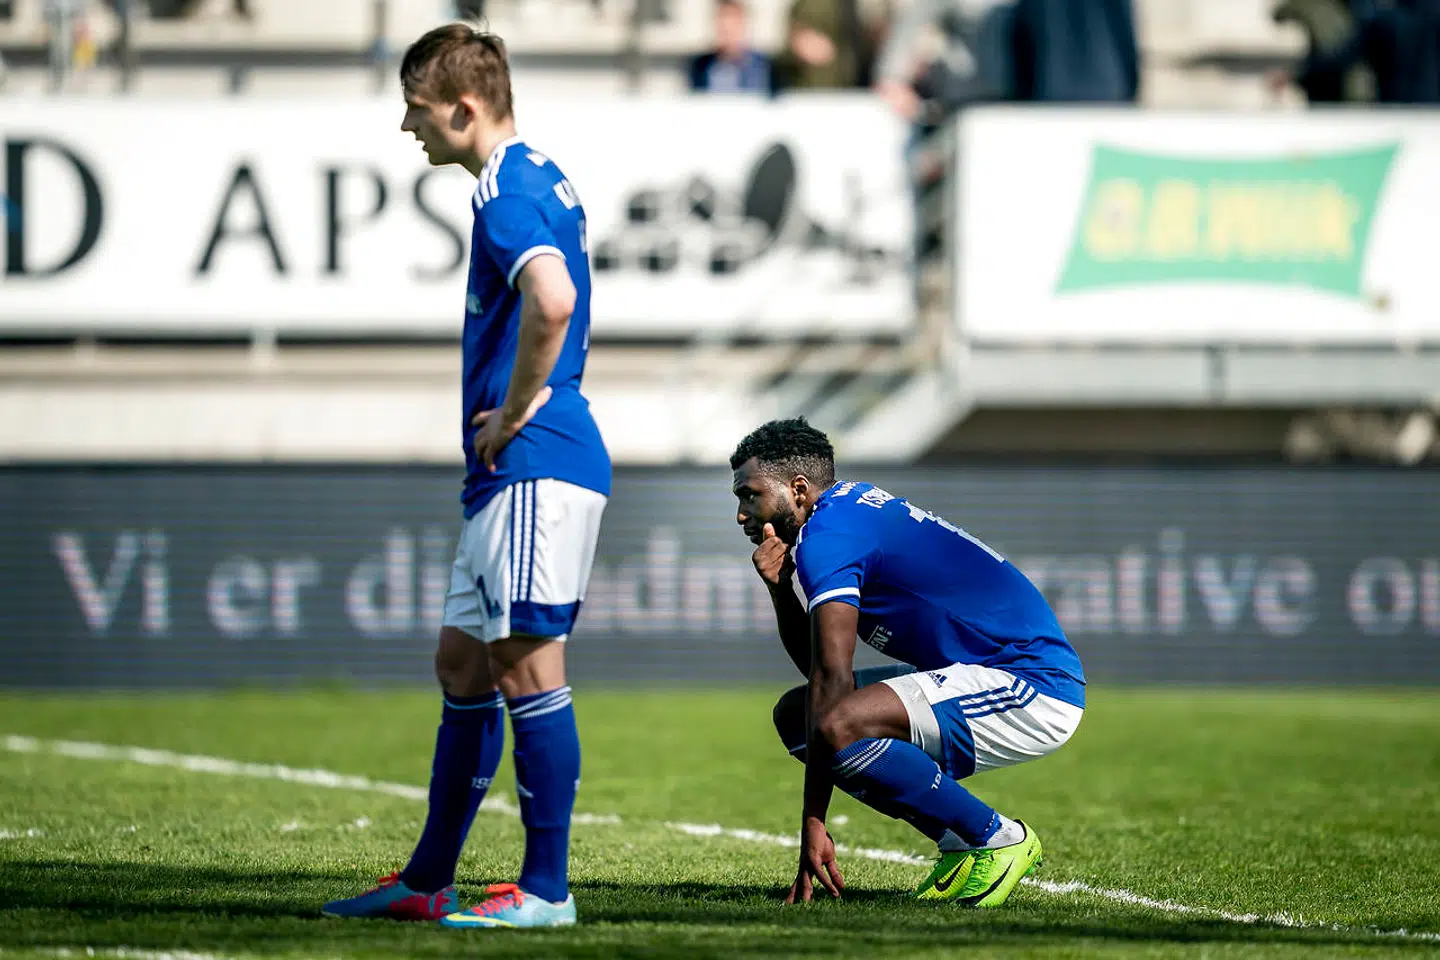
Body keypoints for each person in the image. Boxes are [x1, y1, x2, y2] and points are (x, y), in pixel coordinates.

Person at [322, 23, 610, 930]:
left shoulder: (508, 188)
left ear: (462, 107)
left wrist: (519, 405)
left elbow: (552, 297)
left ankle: (548, 891)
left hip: (537, 462)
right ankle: (426, 880)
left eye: (414, 109)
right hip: (508, 476)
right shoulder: (535, 174)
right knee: (462, 663)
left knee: (525, 665)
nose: (407, 128)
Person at [730, 418, 1084, 907]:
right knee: (797, 716)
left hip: (1033, 685)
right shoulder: (843, 512)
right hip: (984, 671)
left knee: (837, 722)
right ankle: (960, 841)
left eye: (749, 495)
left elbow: (831, 686)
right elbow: (818, 674)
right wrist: (780, 591)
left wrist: (813, 824)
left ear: (797, 489)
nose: (742, 513)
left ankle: (998, 839)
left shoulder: (828, 538)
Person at [689, 0, 775, 94]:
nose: (727, 36)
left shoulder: (764, 66)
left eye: (732, 29)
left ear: (743, 26)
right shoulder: (701, 66)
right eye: (723, 29)